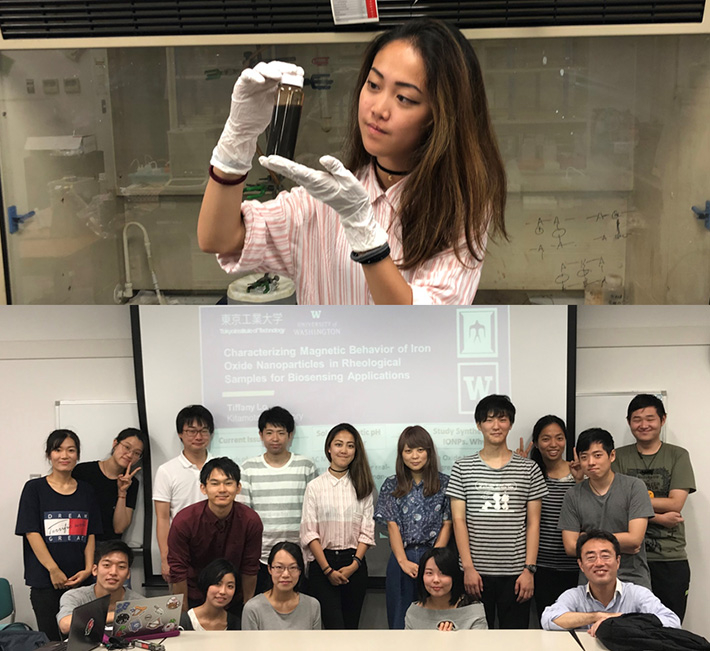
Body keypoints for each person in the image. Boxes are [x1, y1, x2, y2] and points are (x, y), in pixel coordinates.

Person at [197, 18, 507, 305]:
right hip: (328, 364)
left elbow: (419, 325)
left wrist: (363, 231)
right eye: (373, 85)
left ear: (441, 117)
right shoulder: (327, 199)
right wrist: (237, 138)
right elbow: (218, 238)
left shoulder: (461, 210)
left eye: (404, 98)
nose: (378, 108)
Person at [446, 394, 547, 629]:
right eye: (489, 420)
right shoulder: (463, 467)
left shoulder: (529, 469)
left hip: (516, 574)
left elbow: (533, 523)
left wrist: (529, 570)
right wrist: (468, 568)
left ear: (510, 423)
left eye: (502, 419)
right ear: (479, 425)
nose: (496, 426)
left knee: (515, 639)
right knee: (475, 640)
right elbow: (459, 521)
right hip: (475, 575)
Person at [612, 394, 696, 622]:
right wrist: (659, 517)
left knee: (669, 626)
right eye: (637, 419)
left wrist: (633, 501)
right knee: (628, 627)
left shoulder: (678, 455)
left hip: (669, 556)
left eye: (650, 418)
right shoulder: (617, 457)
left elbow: (675, 503)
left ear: (663, 419)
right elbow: (615, 504)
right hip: (627, 558)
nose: (643, 424)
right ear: (629, 422)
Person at [15, 430, 102, 640]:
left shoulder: (86, 490)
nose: (65, 455)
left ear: (77, 455)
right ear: (49, 455)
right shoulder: (34, 488)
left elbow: (91, 534)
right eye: (58, 450)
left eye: (71, 450)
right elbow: (31, 532)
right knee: (52, 641)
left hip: (81, 581)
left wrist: (87, 569)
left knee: (84, 640)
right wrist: (53, 570)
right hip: (45, 582)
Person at [374, 425, 452, 629]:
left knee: (435, 619)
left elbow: (447, 523)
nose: (414, 456)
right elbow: (392, 526)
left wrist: (433, 559)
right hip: (402, 559)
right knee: (400, 618)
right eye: (408, 451)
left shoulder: (445, 483)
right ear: (401, 455)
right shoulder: (392, 484)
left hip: (435, 559)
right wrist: (403, 561)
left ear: (429, 452)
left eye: (420, 450)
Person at [300, 423, 375, 629]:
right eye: (339, 444)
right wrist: (327, 570)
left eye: (350, 446)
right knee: (334, 629)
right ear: (328, 448)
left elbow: (367, 531)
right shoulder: (315, 486)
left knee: (351, 628)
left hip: (355, 564)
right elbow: (309, 532)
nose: (344, 450)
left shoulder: (363, 485)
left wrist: (353, 565)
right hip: (322, 565)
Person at [558, 428, 654, 589]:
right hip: (590, 584)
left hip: (633, 581)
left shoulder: (634, 487)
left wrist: (585, 537)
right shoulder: (573, 495)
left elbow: (635, 540)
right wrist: (622, 541)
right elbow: (569, 547)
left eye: (597, 455)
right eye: (584, 457)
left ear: (612, 456)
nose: (591, 462)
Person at [541, 529, 680, 635]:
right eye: (591, 558)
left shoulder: (637, 593)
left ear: (617, 561)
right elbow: (548, 619)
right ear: (581, 565)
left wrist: (621, 620)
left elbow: (672, 622)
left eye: (606, 556)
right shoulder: (574, 595)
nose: (599, 563)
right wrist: (597, 616)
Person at [239, 407, 317, 594]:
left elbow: (313, 512)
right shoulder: (248, 468)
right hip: (261, 558)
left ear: (290, 435)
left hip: (297, 558)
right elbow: (244, 515)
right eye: (269, 433)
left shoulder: (306, 466)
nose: (275, 438)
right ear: (261, 435)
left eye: (281, 433)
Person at [167, 457, 263, 609]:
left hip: (233, 598)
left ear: (238, 488)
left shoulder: (250, 520)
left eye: (228, 483)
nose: (222, 489)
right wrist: (183, 613)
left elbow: (250, 567)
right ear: (203, 488)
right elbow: (178, 571)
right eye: (215, 483)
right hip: (195, 596)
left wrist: (247, 607)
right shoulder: (185, 521)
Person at [518, 416, 584, 621]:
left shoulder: (579, 472)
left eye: (559, 438)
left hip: (576, 564)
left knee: (577, 624)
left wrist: (581, 481)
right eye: (546, 439)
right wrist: (518, 469)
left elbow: (591, 513)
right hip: (542, 566)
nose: (553, 444)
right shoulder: (530, 473)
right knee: (547, 624)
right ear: (536, 443)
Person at [153, 405, 214, 583]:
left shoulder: (219, 467)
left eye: (204, 430)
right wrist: (165, 559)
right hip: (180, 552)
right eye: (191, 431)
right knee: (181, 608)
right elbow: (163, 519)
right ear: (180, 433)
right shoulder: (167, 470)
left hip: (216, 550)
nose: (198, 436)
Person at [73, 428, 145, 541]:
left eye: (137, 453)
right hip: (80, 542)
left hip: (109, 547)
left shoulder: (131, 483)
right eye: (127, 447)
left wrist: (122, 492)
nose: (130, 455)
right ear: (115, 443)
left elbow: (119, 528)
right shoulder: (82, 471)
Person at [57, 540, 143, 634]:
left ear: (128, 574)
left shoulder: (139, 603)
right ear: (95, 570)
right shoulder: (75, 597)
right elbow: (65, 626)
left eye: (121, 567)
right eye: (107, 565)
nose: (113, 572)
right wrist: (119, 615)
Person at [241, 542, 321, 630]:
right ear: (269, 569)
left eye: (292, 567)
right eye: (279, 567)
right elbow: (250, 643)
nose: (285, 574)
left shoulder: (312, 606)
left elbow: (315, 642)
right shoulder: (253, 608)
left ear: (300, 571)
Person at [404, 547, 487, 630]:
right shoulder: (414, 612)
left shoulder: (473, 611)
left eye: (443, 573)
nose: (436, 580)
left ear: (454, 576)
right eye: (429, 573)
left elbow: (480, 642)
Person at [179, 559, 241, 630]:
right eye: (217, 584)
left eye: (230, 586)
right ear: (206, 584)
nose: (223, 591)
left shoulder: (236, 623)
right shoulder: (184, 621)